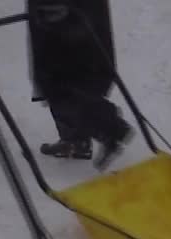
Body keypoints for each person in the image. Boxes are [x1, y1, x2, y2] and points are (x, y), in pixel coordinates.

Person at [27, 0, 131, 169]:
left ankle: (111, 128)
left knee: (61, 79)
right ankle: (75, 139)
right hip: (68, 13)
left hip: (65, 12)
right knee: (60, 75)